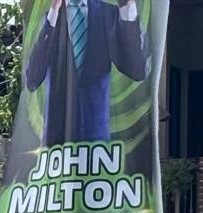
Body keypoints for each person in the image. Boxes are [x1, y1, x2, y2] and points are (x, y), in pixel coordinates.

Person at [24, 0, 146, 147]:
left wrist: (127, 8)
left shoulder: (107, 13)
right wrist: (53, 13)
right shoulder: (50, 18)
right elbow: (32, 80)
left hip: (97, 146)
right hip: (57, 146)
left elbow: (136, 70)